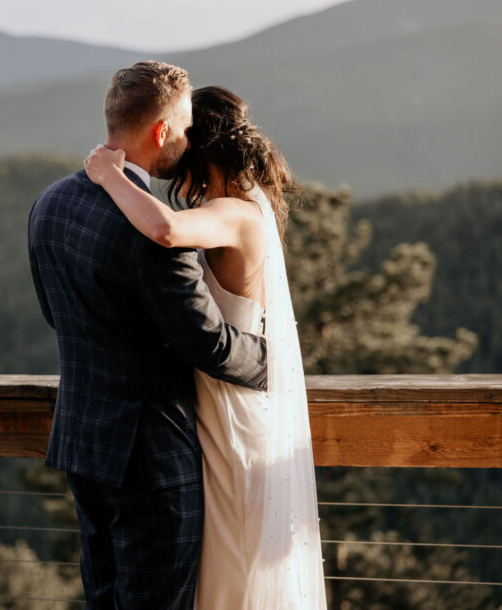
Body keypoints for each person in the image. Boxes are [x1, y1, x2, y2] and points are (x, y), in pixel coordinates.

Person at [27, 61, 269, 609]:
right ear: (161, 131)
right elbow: (207, 343)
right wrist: (274, 363)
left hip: (83, 445)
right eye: (183, 129)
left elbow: (54, 312)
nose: (188, 141)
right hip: (151, 459)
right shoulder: (155, 236)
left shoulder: (48, 205)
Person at [85, 85, 327, 609]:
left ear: (200, 146)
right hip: (218, 406)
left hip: (231, 415)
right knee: (221, 562)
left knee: (231, 561)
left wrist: (108, 175)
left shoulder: (236, 213)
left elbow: (166, 230)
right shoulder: (239, 207)